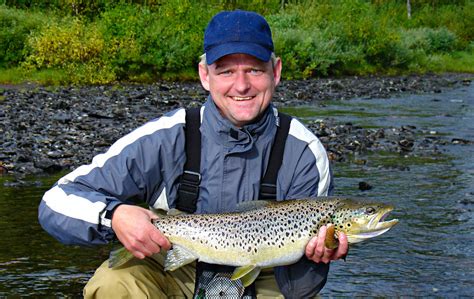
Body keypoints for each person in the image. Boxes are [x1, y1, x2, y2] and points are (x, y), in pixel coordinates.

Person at [38, 10, 348, 298]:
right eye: (226, 71)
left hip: (265, 273)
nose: (241, 85)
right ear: (204, 75)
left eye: (254, 69)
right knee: (113, 283)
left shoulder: (305, 153)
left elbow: (303, 283)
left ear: (275, 72)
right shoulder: (165, 137)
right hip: (173, 264)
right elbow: (56, 200)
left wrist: (319, 255)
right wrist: (115, 216)